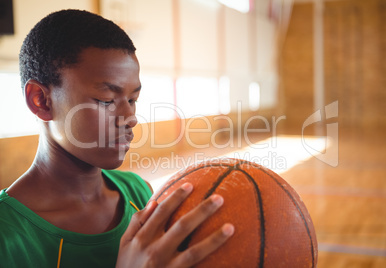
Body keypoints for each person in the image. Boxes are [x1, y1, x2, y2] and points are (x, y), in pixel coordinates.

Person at [0, 9, 234, 267]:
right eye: (106, 101)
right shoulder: (8, 235)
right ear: (41, 101)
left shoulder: (139, 192)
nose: (130, 117)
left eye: (132, 100)